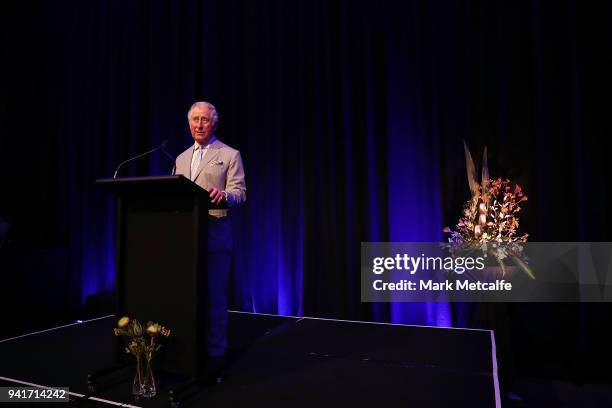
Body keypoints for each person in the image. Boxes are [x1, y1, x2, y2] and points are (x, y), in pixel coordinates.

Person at [175, 101, 246, 376]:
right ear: (189, 123)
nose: (199, 124)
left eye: (205, 119)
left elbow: (240, 192)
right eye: (195, 119)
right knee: (187, 297)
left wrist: (225, 195)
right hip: (186, 240)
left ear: (213, 123)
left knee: (214, 298)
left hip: (215, 237)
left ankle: (216, 354)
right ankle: (188, 347)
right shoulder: (180, 158)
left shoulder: (229, 154)